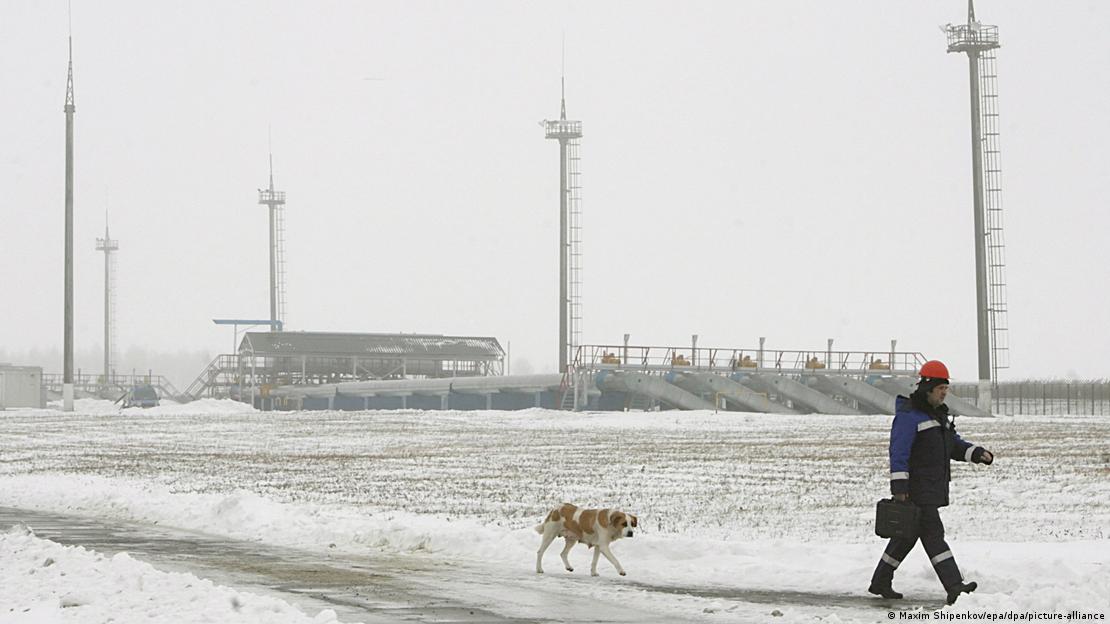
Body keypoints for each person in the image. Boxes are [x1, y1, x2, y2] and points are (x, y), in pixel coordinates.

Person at [868, 360, 994, 605]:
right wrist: (900, 489)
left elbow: (953, 445)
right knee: (934, 535)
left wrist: (976, 453)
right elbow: (899, 453)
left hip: (931, 487)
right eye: (940, 389)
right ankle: (955, 587)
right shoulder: (909, 417)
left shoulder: (938, 417)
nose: (944, 393)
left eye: (946, 388)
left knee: (906, 537)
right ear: (927, 389)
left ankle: (880, 581)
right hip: (916, 489)